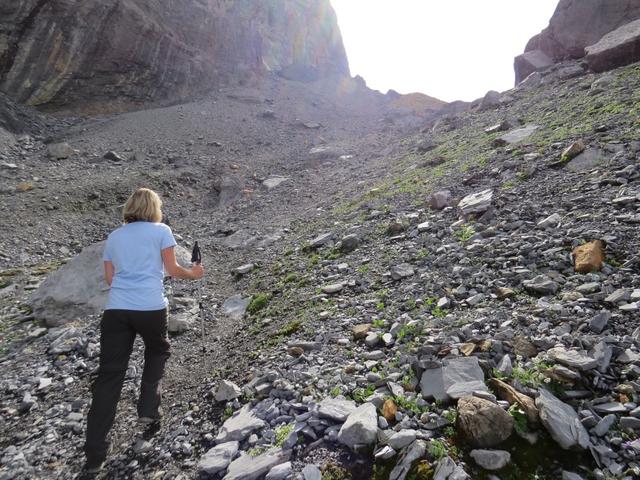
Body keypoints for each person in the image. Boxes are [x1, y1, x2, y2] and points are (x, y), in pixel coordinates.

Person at [83, 188, 204, 473]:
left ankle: (94, 454)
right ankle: (149, 410)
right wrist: (195, 273)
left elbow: (110, 278)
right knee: (157, 351)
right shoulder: (161, 230)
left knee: (110, 376)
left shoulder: (114, 236)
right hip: (150, 307)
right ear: (154, 207)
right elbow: (173, 270)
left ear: (130, 208)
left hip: (116, 311)